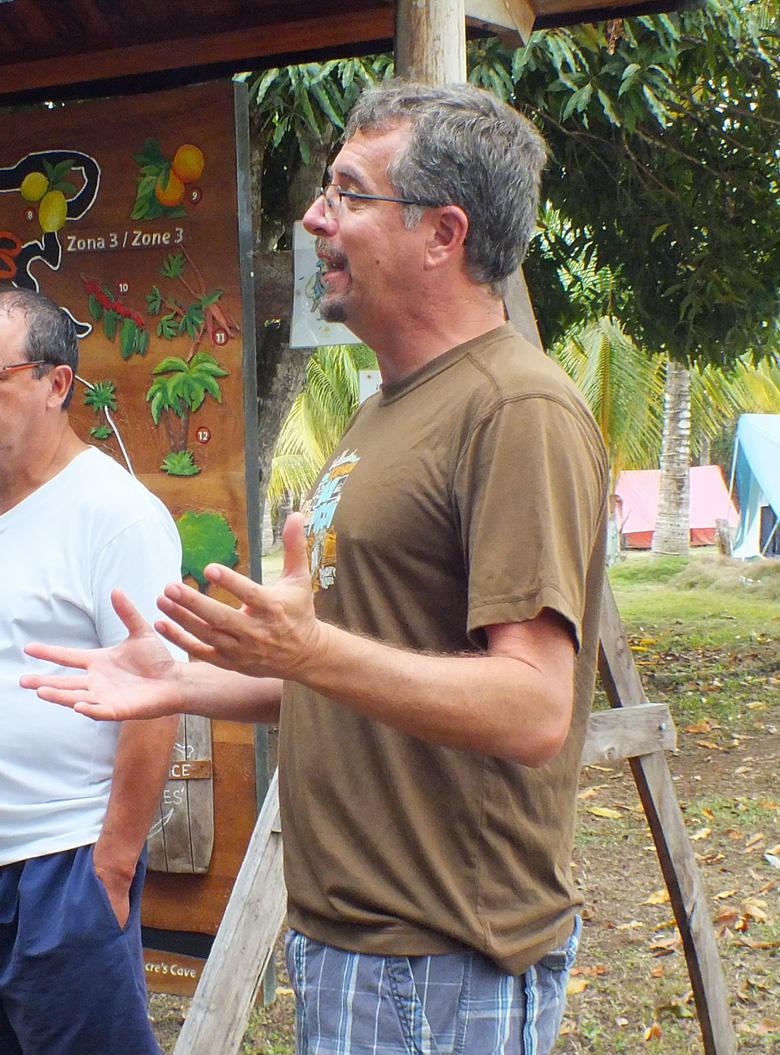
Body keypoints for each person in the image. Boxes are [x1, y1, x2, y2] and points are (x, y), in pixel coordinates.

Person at [22, 82, 608, 1055]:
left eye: (348, 191)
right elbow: (350, 673)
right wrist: (186, 681)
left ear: (442, 233)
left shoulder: (515, 410)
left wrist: (309, 646)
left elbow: (536, 707)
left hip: (437, 954)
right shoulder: (387, 406)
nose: (313, 217)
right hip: (357, 944)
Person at [0, 288, 183, 1055]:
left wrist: (111, 867)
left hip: (61, 860)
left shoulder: (117, 514)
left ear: (56, 383)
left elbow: (156, 695)